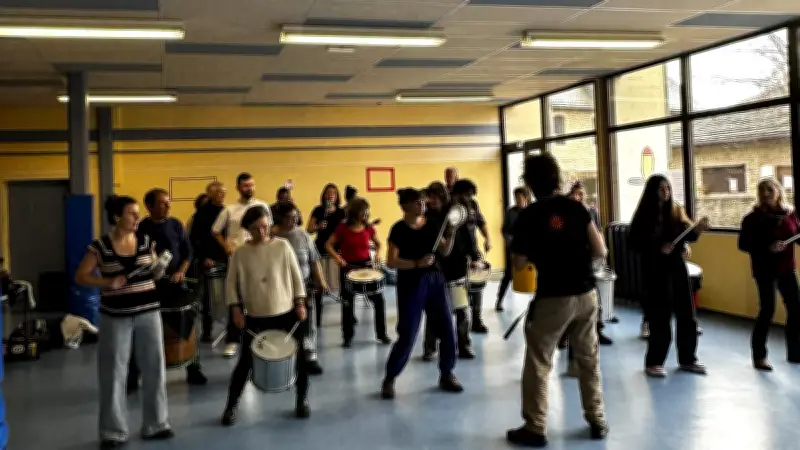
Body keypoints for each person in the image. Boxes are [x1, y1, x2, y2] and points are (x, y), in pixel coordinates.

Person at [506, 154, 607, 447]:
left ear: (530, 183)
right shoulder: (578, 208)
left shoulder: (529, 216)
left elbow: (519, 262)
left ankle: (535, 427)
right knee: (588, 359)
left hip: (553, 298)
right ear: (556, 177)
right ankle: (597, 419)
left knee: (539, 361)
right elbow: (600, 250)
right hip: (587, 295)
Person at [75, 195, 173, 449]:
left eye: (137, 213)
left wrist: (160, 267)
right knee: (113, 373)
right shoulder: (100, 247)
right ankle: (113, 432)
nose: (137, 218)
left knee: (154, 368)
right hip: (115, 317)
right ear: (117, 217)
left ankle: (157, 424)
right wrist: (107, 282)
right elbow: (82, 276)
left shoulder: (146, 241)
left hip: (149, 313)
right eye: (132, 214)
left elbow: (153, 272)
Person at [220, 206, 310, 424]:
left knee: (300, 358)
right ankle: (231, 406)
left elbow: (296, 277)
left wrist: (300, 302)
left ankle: (302, 400)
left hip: (286, 313)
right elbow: (231, 285)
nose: (262, 232)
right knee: (245, 362)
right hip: (256, 316)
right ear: (248, 230)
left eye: (264, 226)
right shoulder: (240, 253)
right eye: (256, 228)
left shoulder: (283, 246)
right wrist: (235, 309)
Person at [382, 188, 463, 399]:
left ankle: (447, 373)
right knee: (408, 333)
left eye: (422, 201)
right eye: (417, 201)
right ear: (404, 206)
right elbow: (391, 261)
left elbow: (444, 251)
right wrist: (416, 263)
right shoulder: (398, 230)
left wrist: (451, 233)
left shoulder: (433, 225)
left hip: (436, 281)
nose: (422, 204)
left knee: (447, 329)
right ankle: (390, 378)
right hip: (411, 282)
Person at [630, 174, 709, 378]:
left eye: (668, 188)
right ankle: (654, 362)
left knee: (687, 315)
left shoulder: (676, 210)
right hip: (655, 270)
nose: (666, 192)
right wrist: (658, 247)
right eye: (661, 189)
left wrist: (697, 229)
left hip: (676, 268)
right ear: (652, 191)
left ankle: (688, 358)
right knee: (660, 317)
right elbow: (634, 242)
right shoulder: (643, 215)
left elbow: (687, 234)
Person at [128, 188, 208, 389]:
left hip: (176, 285)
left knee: (188, 321)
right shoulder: (141, 229)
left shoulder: (176, 224)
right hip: (150, 287)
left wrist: (181, 270)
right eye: (163, 203)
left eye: (168, 202)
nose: (168, 206)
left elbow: (187, 252)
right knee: (140, 327)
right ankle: (133, 375)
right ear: (150, 206)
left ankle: (193, 367)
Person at [739, 178, 800, 371]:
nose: (766, 193)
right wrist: (768, 248)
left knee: (796, 310)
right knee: (767, 310)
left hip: (787, 269)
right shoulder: (752, 218)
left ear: (778, 191)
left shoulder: (791, 214)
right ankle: (759, 356)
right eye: (761, 190)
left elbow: (797, 237)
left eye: (769, 189)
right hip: (764, 270)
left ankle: (795, 352)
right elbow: (743, 244)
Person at [212, 173, 271, 357]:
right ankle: (233, 341)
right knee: (235, 299)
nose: (249, 188)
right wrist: (227, 246)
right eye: (245, 185)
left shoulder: (263, 206)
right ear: (238, 187)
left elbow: (269, 230)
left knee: (261, 299)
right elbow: (215, 231)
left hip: (260, 260)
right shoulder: (229, 210)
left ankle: (261, 339)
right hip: (237, 261)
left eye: (252, 185)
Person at [422, 182, 480, 360]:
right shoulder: (427, 217)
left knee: (462, 309)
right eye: (429, 197)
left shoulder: (455, 213)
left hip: (457, 268)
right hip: (436, 269)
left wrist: (475, 256)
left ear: (442, 196)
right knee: (434, 310)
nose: (431, 200)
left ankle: (464, 345)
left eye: (434, 197)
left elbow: (469, 236)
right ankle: (430, 347)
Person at [326, 198, 391, 347]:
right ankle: (347, 337)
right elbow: (328, 245)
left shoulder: (368, 228)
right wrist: (338, 258)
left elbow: (379, 244)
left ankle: (382, 334)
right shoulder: (343, 228)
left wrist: (379, 254)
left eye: (367, 210)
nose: (366, 213)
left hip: (366, 267)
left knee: (379, 301)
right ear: (355, 212)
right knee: (347, 303)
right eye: (364, 211)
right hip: (348, 268)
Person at [273, 202, 328, 375]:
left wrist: (321, 281)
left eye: (296, 217)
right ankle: (283, 356)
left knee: (307, 323)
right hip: (280, 288)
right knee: (282, 323)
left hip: (304, 286)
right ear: (280, 218)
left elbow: (314, 261)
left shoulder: (303, 236)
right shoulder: (271, 236)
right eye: (291, 217)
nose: (295, 220)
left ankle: (309, 356)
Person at [565, 181, 613, 347]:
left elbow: (598, 231)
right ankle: (566, 335)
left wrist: (603, 250)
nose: (580, 197)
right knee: (570, 300)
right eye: (577, 194)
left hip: (591, 260)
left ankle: (598, 330)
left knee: (595, 297)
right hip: (572, 262)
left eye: (582, 194)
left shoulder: (591, 211)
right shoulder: (566, 213)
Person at [450, 178, 491, 333]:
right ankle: (460, 331)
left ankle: (477, 321)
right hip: (456, 257)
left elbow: (481, 222)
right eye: (468, 195)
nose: (470, 198)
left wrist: (488, 238)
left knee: (478, 286)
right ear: (458, 194)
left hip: (473, 251)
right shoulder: (452, 209)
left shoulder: (473, 204)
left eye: (471, 195)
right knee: (460, 294)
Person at [190, 182, 227, 341]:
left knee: (229, 297)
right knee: (208, 299)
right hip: (208, 260)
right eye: (219, 192)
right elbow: (195, 239)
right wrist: (204, 257)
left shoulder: (227, 212)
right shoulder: (201, 214)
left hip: (226, 258)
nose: (222, 194)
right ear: (210, 194)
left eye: (224, 191)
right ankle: (207, 331)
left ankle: (232, 331)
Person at [307, 183, 346, 328]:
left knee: (343, 287)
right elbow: (309, 229)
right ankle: (317, 319)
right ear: (324, 195)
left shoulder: (341, 212)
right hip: (321, 251)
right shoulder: (318, 210)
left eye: (333, 193)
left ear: (337, 196)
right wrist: (318, 226)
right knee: (319, 287)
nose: (330, 195)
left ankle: (348, 317)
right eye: (328, 193)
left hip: (337, 252)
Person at [496, 187, 531, 312]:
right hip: (514, 248)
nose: (518, 200)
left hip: (529, 248)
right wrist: (508, 239)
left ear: (526, 198)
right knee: (508, 274)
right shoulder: (511, 212)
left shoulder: (532, 211)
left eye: (520, 197)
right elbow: (504, 229)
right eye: (516, 197)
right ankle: (499, 300)